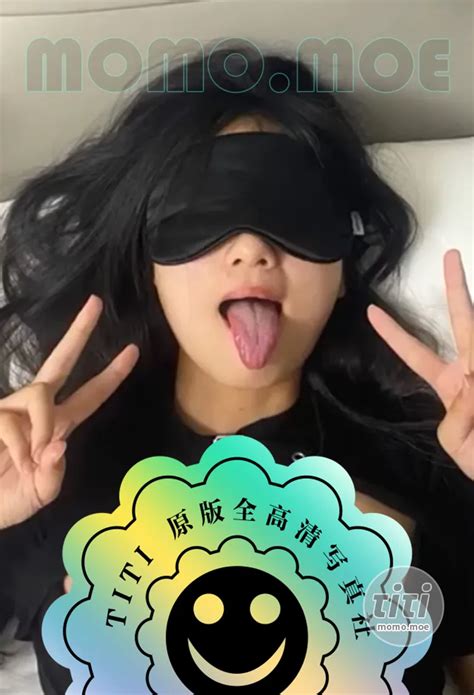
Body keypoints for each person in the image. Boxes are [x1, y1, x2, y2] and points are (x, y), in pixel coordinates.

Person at [0, 44, 473, 695]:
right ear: (148, 262)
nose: (251, 248)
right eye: (204, 212)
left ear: (343, 266)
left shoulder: (431, 457)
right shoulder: (49, 470)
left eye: (293, 212)